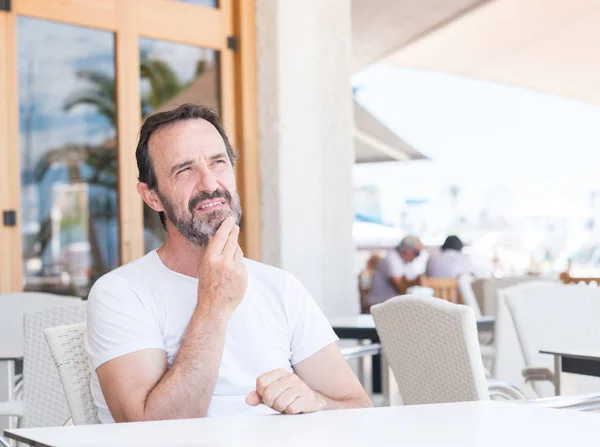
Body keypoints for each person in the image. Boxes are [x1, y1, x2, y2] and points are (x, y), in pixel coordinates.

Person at [84, 104, 371, 423]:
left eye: (218, 162)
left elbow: (358, 407)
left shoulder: (281, 287)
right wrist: (213, 306)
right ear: (151, 196)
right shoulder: (120, 293)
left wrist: (316, 401)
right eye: (185, 170)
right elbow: (148, 430)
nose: (209, 184)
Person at [365, 235, 426, 307]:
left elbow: (412, 281)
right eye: (417, 253)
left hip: (390, 303)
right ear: (405, 251)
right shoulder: (392, 258)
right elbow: (401, 286)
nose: (417, 257)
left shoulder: (405, 261)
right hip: (379, 304)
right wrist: (419, 281)